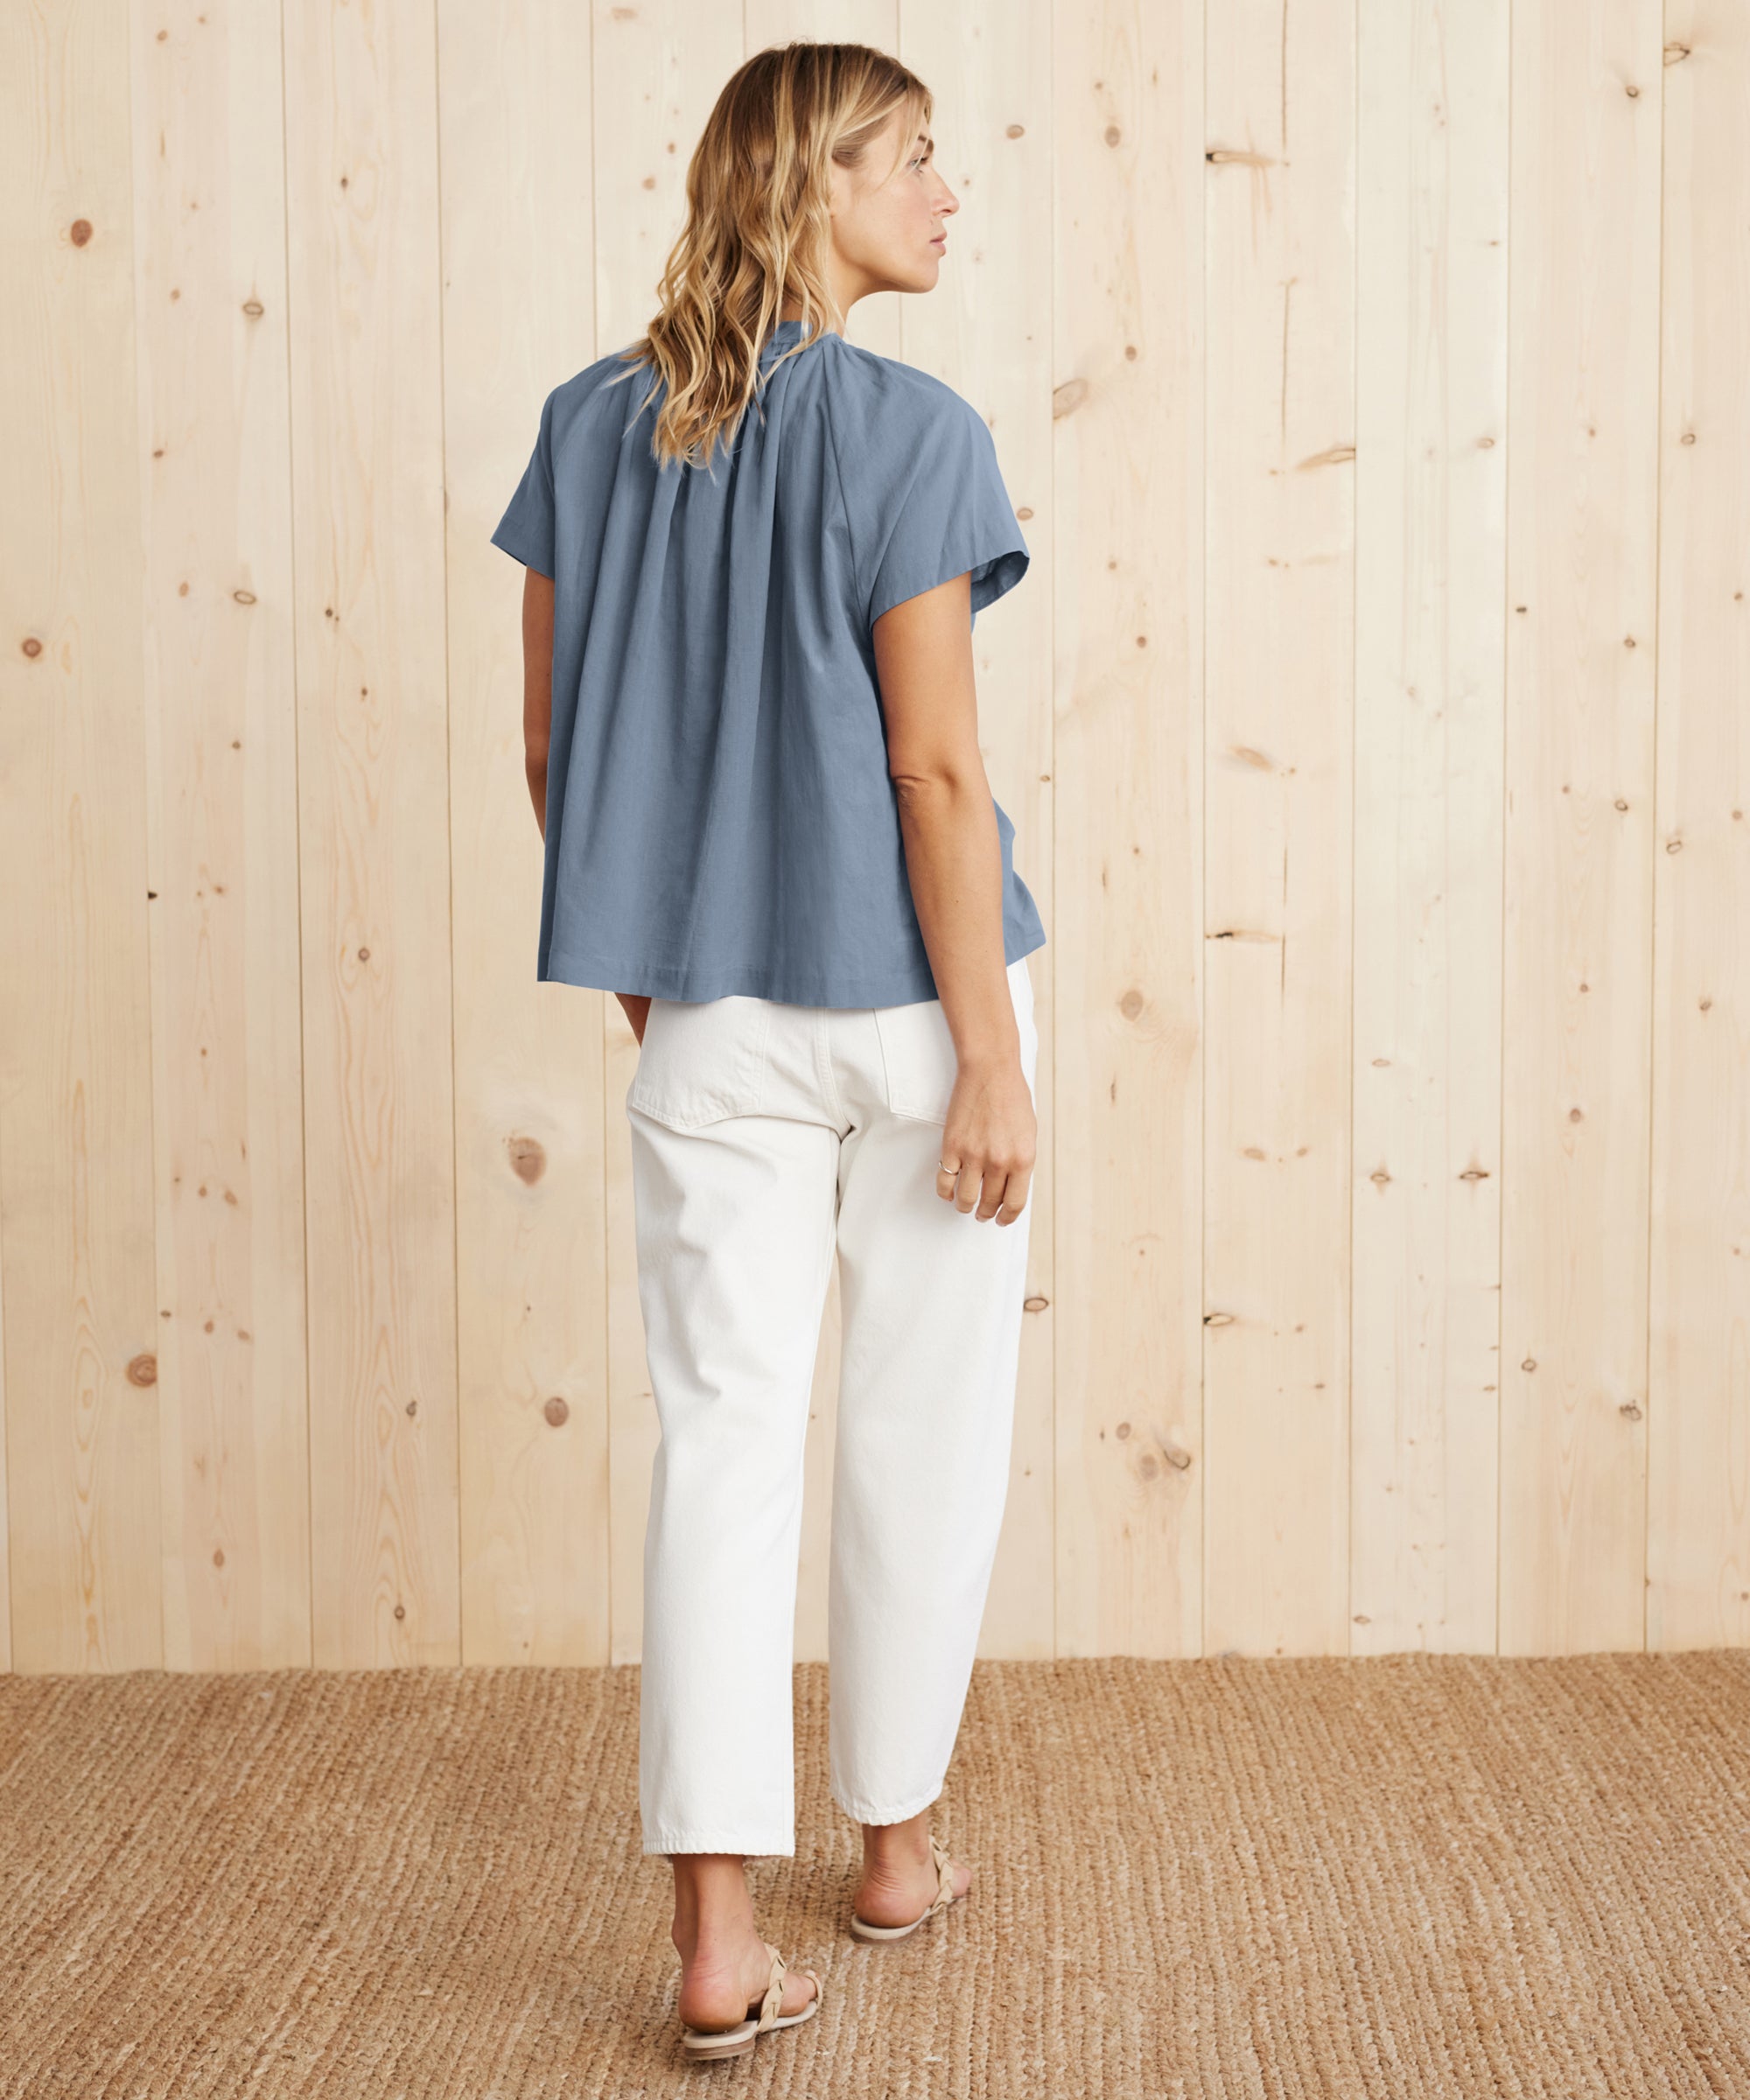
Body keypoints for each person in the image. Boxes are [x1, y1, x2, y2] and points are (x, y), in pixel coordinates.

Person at [489, 39, 1044, 2062]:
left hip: (704, 1016)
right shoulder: (911, 430)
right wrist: (987, 1057)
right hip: (915, 1007)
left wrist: (660, 984)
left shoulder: (585, 423)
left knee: (720, 1445)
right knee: (922, 1424)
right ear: (816, 186)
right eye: (913, 161)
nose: (947, 195)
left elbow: (554, 748)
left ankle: (716, 1948)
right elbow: (933, 768)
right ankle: (892, 1855)